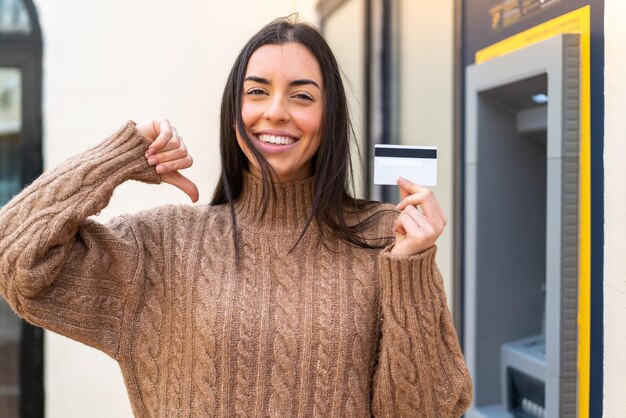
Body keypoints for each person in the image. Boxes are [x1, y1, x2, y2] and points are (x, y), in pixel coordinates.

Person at [0, 17, 471, 417]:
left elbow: (429, 409)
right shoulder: (165, 244)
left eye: (302, 96)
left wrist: (411, 267)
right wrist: (117, 158)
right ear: (233, 112)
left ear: (329, 117)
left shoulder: (382, 238)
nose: (276, 112)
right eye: (257, 92)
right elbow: (16, 260)